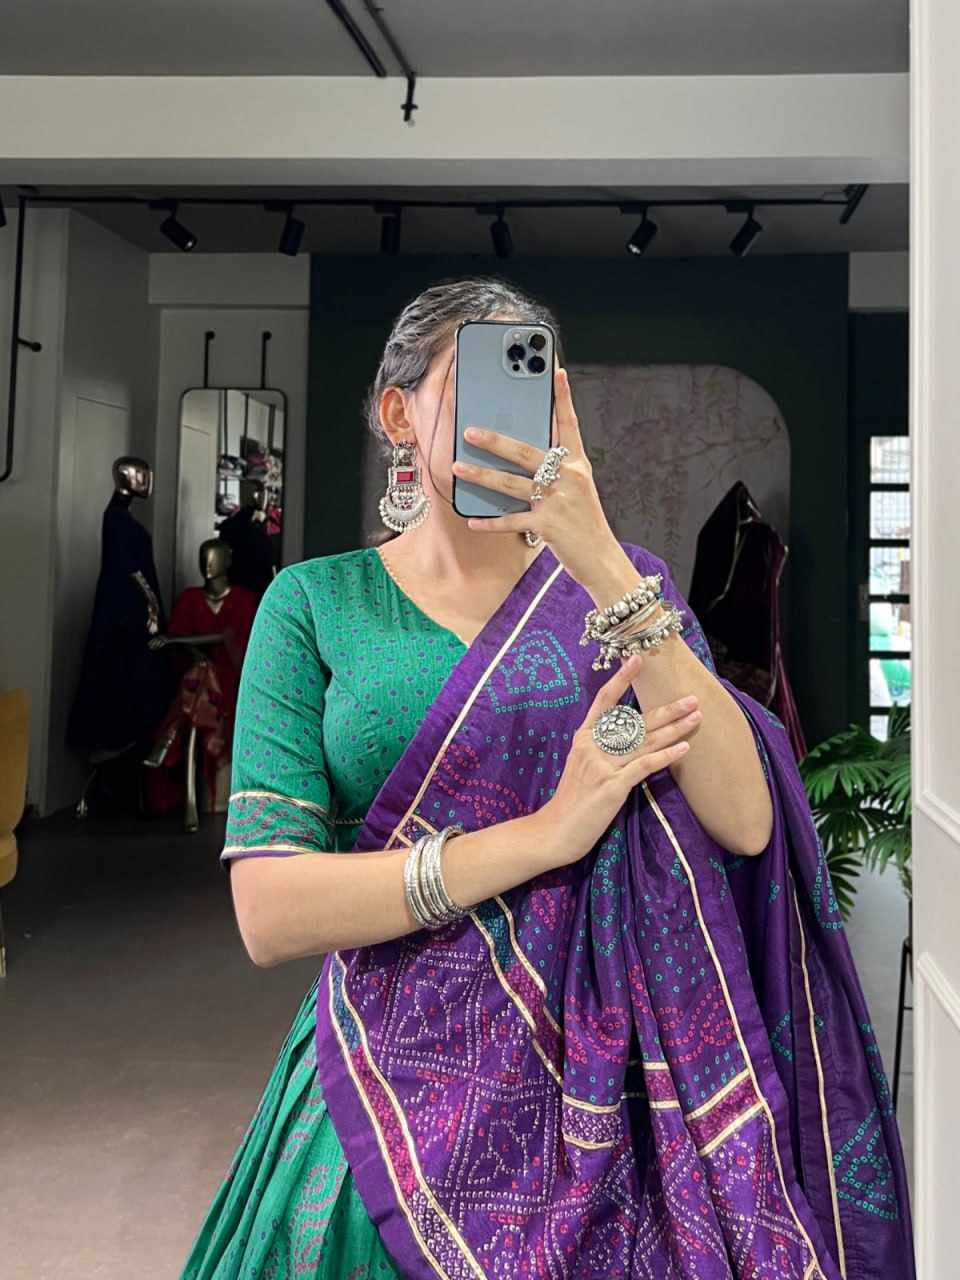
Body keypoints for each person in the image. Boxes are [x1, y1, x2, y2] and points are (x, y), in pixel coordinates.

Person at [181, 278, 914, 1279]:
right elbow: (269, 911)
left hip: (609, 1092)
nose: (506, 420)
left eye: (529, 390)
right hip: (388, 1079)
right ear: (399, 413)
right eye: (474, 385)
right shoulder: (316, 604)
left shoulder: (618, 585)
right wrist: (544, 835)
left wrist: (601, 558)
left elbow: (745, 819)